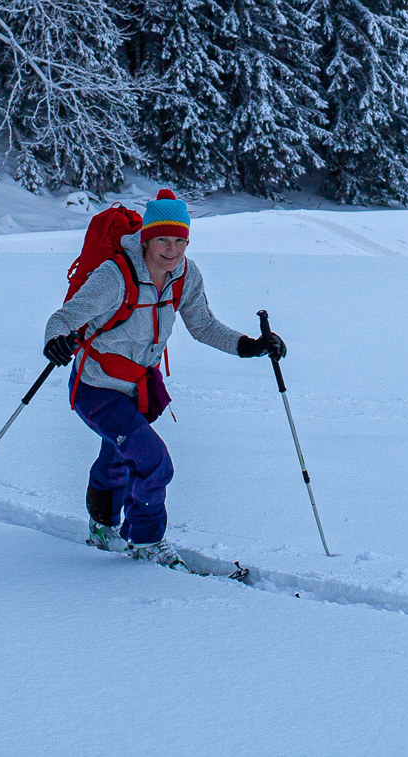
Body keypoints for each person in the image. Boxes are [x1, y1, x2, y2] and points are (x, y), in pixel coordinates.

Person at [42, 190, 284, 569]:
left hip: (138, 387)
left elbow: (203, 325)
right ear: (147, 239)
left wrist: (248, 346)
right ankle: (147, 540)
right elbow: (63, 318)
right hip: (96, 387)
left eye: (180, 240)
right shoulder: (114, 276)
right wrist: (54, 342)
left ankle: (103, 525)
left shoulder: (185, 275)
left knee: (120, 457)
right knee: (154, 461)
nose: (172, 249)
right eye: (163, 239)